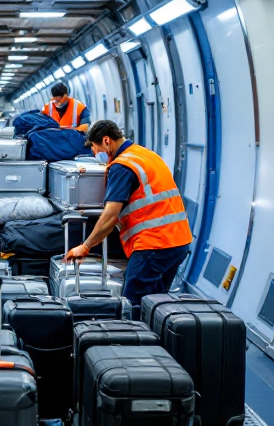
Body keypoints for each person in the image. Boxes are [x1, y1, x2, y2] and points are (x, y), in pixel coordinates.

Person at [64, 120, 192, 307]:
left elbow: (110, 216)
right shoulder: (145, 154)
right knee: (156, 304)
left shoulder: (122, 167)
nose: (98, 155)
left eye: (97, 149)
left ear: (107, 141)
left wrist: (85, 246)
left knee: (133, 305)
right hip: (178, 241)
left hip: (153, 245)